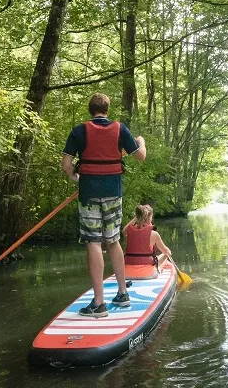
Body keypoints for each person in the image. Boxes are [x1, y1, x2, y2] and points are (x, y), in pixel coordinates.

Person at [62, 93, 146, 318]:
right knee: (113, 241)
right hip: (113, 194)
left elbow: (67, 165)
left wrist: (78, 180)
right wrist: (140, 142)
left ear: (91, 109)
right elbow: (141, 156)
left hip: (89, 196)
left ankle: (99, 304)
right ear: (107, 109)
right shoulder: (121, 129)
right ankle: (122, 294)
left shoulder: (78, 131)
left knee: (93, 242)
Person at [123, 204, 172, 271]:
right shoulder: (154, 234)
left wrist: (137, 218)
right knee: (167, 252)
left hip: (127, 272)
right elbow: (165, 251)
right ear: (150, 218)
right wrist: (168, 252)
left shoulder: (129, 230)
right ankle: (158, 269)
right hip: (148, 273)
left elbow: (123, 231)